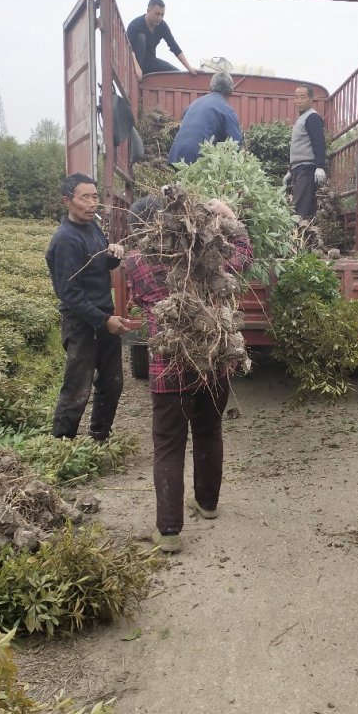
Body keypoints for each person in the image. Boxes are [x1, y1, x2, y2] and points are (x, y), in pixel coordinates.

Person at [124, 196, 253, 552]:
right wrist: (229, 218)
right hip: (213, 363)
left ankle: (169, 532)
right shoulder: (208, 252)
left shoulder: (136, 261)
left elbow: (138, 296)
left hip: (168, 369)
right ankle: (207, 504)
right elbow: (243, 259)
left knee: (168, 445)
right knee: (209, 431)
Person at [46, 174, 138, 441]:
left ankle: (99, 436)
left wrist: (112, 256)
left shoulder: (93, 228)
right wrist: (103, 320)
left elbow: (101, 267)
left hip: (102, 316)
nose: (91, 203)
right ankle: (62, 443)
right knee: (78, 386)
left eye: (94, 197)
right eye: (84, 197)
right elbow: (69, 293)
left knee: (112, 383)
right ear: (67, 201)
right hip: (82, 324)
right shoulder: (65, 240)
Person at [168, 72, 243, 165]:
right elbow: (236, 144)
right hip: (198, 161)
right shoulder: (227, 110)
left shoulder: (194, 103)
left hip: (175, 157)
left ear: (211, 87)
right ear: (231, 91)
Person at [126, 0, 200, 78]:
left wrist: (189, 67)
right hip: (134, 61)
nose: (160, 18)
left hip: (150, 61)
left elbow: (174, 47)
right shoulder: (135, 25)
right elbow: (130, 50)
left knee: (176, 73)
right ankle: (139, 69)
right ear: (148, 10)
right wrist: (137, 68)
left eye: (162, 15)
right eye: (157, 14)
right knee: (141, 37)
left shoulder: (162, 26)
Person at [283, 85, 326, 219]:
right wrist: (290, 171)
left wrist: (320, 167)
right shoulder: (301, 120)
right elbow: (298, 148)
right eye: (296, 97)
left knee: (299, 209)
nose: (298, 101)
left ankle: (298, 237)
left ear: (311, 99)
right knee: (305, 207)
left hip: (306, 169)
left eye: (302, 97)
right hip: (298, 169)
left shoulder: (312, 118)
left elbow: (319, 143)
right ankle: (306, 236)